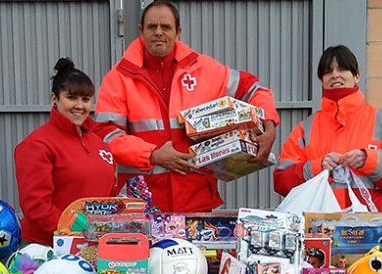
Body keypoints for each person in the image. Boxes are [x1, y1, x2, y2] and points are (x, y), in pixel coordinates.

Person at [93, 0, 280, 213]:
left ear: (178, 31)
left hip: (196, 203)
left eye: (166, 27)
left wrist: (269, 125)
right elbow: (105, 135)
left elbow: (254, 89)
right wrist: (152, 154)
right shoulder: (119, 78)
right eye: (152, 27)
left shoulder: (204, 69)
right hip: (142, 206)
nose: (158, 32)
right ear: (141, 31)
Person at [274, 45, 382, 211]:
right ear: (322, 80)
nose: (335, 75)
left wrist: (371, 160)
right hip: (318, 232)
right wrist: (318, 166)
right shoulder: (305, 129)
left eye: (343, 69)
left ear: (356, 75)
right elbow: (281, 182)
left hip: (374, 231)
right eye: (328, 71)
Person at [14, 58, 116, 246]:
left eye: (85, 99)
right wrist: (79, 233)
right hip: (47, 248)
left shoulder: (98, 143)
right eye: (71, 98)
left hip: (92, 246)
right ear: (55, 99)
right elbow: (36, 206)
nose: (79, 105)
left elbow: (107, 195)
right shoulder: (37, 144)